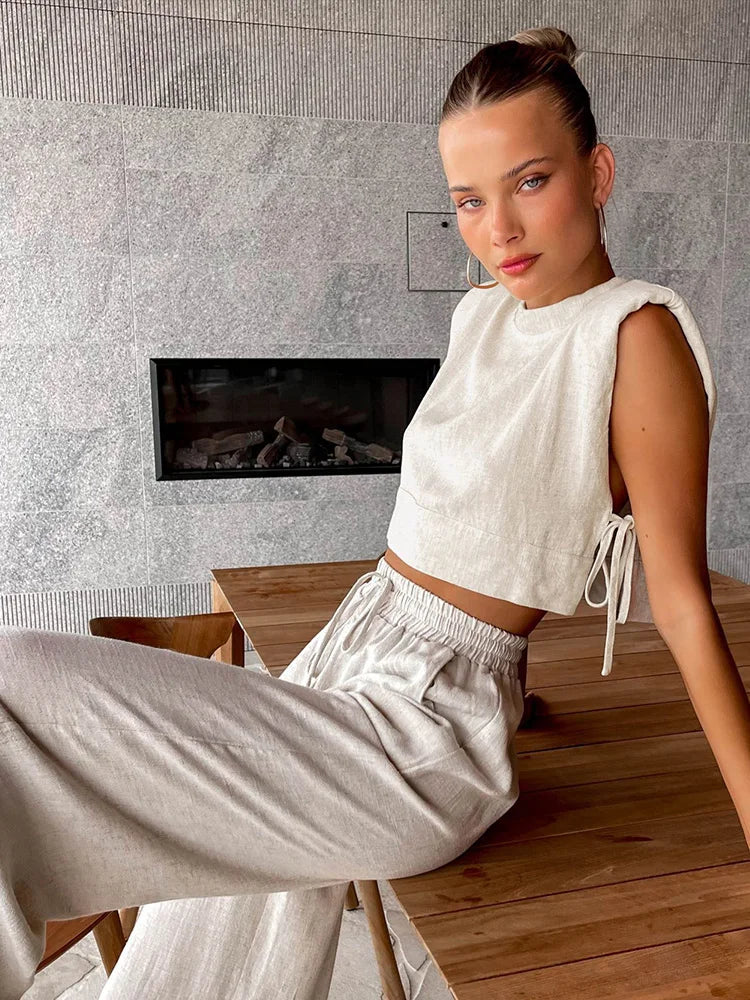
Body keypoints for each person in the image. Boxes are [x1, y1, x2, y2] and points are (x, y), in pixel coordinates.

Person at [1, 25, 735, 1000]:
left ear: (598, 173)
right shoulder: (482, 313)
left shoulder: (637, 335)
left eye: (529, 182)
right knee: (176, 902)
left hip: (418, 737)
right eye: (468, 201)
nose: (499, 231)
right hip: (352, 653)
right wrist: (523, 689)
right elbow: (493, 503)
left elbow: (681, 601)